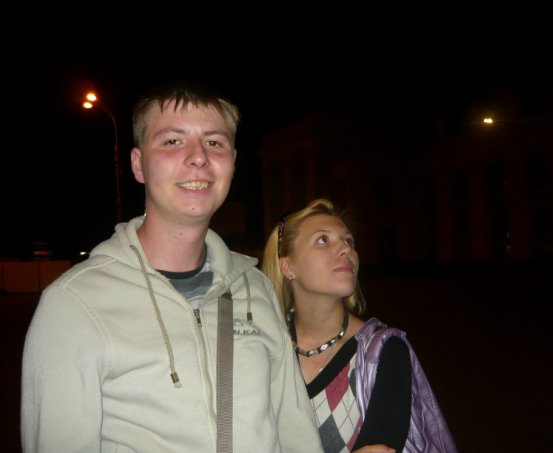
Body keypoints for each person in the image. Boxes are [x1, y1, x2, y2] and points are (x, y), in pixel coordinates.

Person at [21, 80, 323, 453]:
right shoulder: (72, 304)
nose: (199, 157)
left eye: (215, 142)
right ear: (138, 165)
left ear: (232, 162)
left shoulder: (255, 288)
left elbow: (295, 429)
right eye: (173, 141)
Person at [262, 198, 457, 453]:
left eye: (349, 241)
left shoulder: (384, 353)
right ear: (288, 266)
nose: (346, 249)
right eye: (323, 239)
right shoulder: (261, 346)